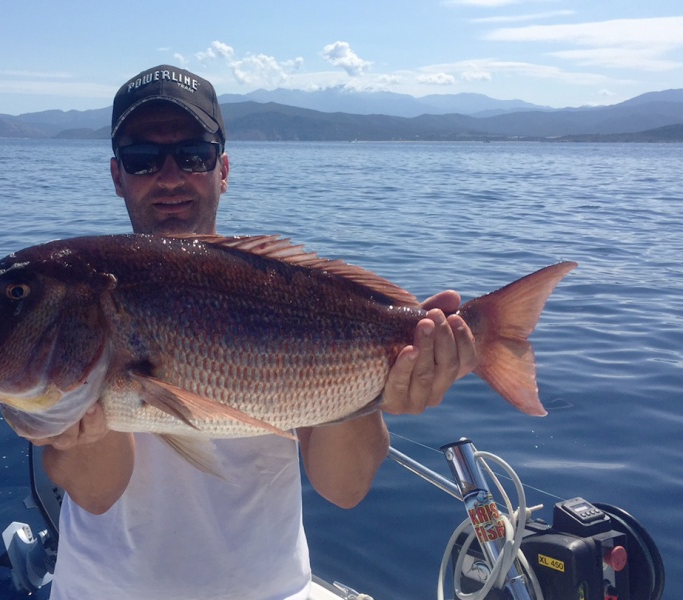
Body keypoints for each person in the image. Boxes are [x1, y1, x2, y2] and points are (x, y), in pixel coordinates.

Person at [32, 65, 476, 600]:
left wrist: (381, 381)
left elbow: (345, 487)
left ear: (222, 169)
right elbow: (99, 494)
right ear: (116, 175)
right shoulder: (76, 304)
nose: (169, 176)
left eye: (193, 155)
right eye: (142, 159)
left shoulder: (287, 294)